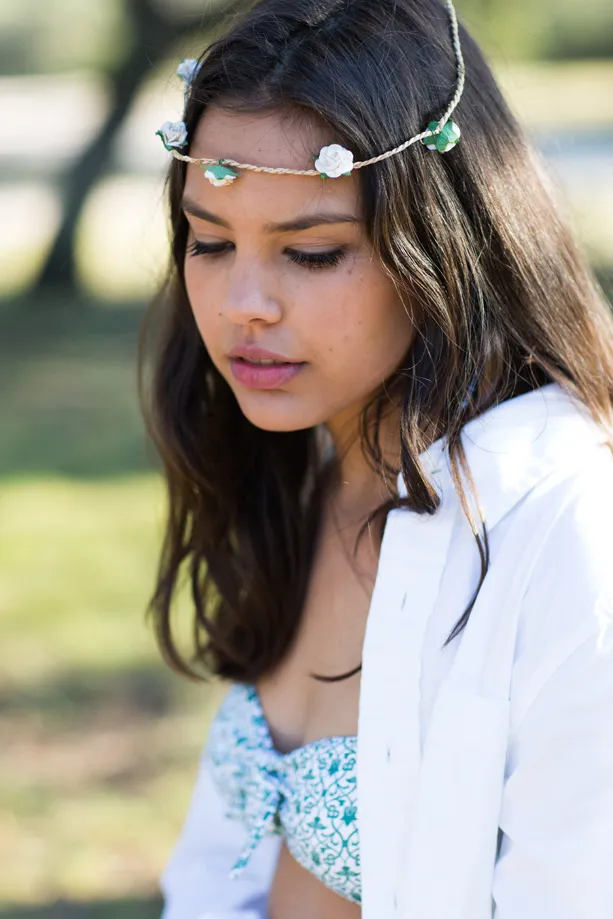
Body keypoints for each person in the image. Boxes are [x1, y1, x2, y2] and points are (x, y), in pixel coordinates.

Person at [138, 0, 613, 916]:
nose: (242, 303)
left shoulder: (566, 530)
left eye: (311, 253)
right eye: (207, 240)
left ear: (446, 238)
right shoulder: (304, 476)